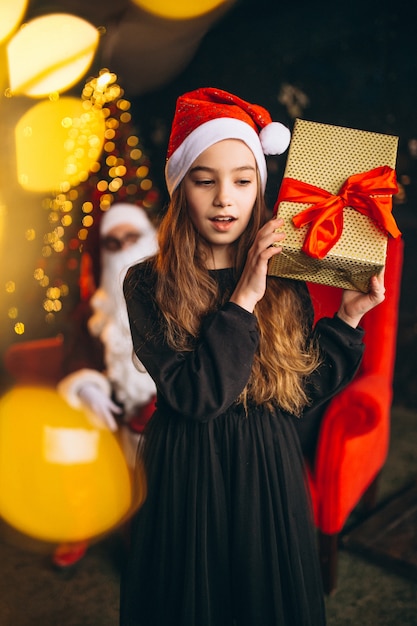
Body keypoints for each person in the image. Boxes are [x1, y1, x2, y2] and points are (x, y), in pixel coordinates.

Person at [121, 88, 386, 626]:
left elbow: (298, 393)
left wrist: (350, 320)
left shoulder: (287, 279)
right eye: (205, 180)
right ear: (180, 189)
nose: (225, 198)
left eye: (242, 181)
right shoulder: (147, 282)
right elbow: (198, 397)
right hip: (187, 468)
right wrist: (243, 298)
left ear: (259, 189)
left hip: (268, 463)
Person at [53, 202, 158, 568]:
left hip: (166, 403)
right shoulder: (91, 312)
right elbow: (76, 358)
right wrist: (87, 387)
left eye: (134, 238)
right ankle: (80, 519)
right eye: (114, 243)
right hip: (115, 405)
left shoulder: (176, 292)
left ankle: (149, 541)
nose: (126, 248)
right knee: (69, 429)